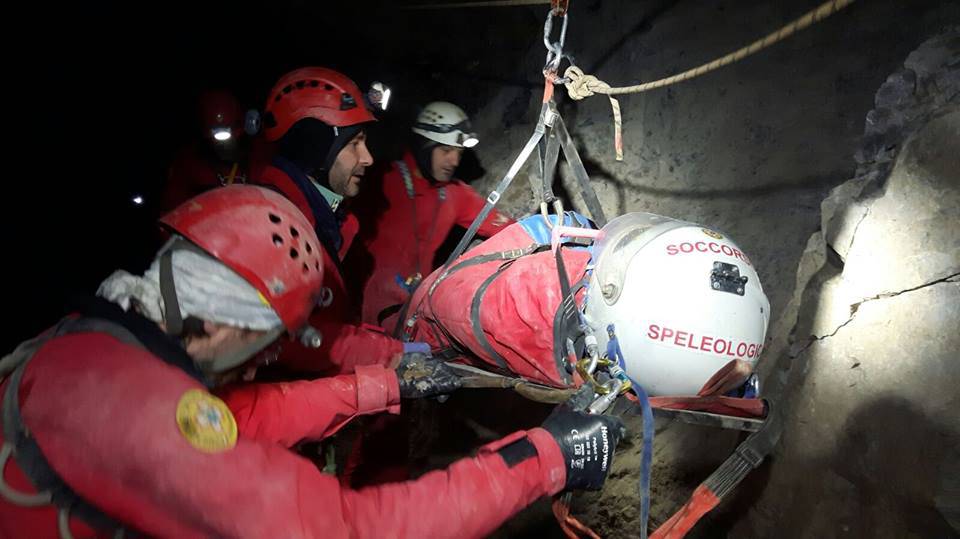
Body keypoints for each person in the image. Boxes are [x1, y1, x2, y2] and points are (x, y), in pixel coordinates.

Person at [0, 185, 625, 537]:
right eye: (259, 345)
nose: (258, 366)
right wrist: (546, 457)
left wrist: (385, 386)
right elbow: (345, 528)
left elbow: (236, 419)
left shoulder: (99, 351)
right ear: (217, 320)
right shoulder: (118, 404)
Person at [256, 67, 415, 374]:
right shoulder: (273, 228)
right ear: (315, 149)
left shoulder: (322, 218)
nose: (368, 158)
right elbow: (296, 342)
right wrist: (388, 354)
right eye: (354, 143)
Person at [349, 101, 514, 325]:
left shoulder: (455, 195)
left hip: (411, 317)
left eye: (458, 152)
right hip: (359, 315)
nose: (454, 161)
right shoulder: (380, 179)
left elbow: (505, 227)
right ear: (424, 145)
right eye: (446, 151)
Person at [161, 90, 254, 213]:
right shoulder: (189, 163)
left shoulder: (256, 154)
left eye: (235, 132)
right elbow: (172, 209)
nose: (227, 142)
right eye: (219, 135)